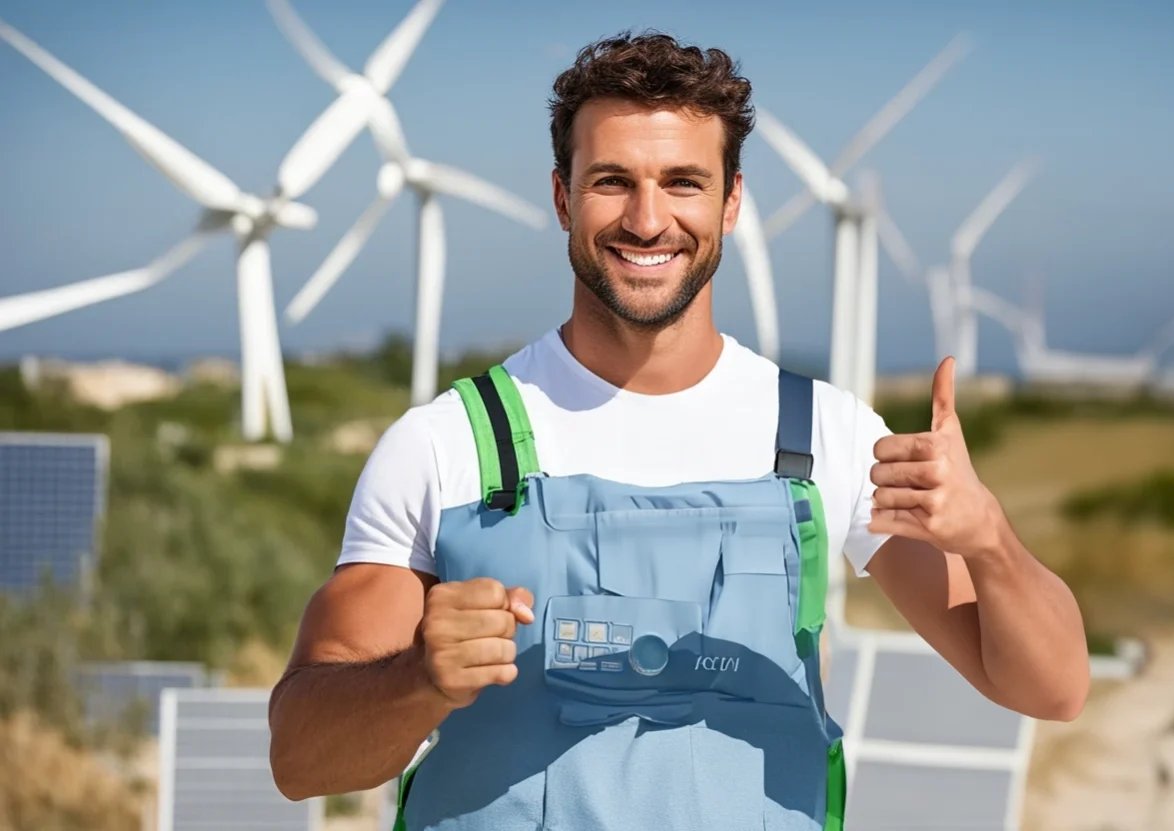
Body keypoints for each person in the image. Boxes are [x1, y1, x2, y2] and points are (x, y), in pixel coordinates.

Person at [268, 31, 1089, 830]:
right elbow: (301, 761)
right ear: (561, 196)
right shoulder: (442, 446)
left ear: (732, 202)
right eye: (612, 181)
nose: (648, 219)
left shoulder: (822, 434)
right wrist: (418, 678)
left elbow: (1050, 688)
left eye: (683, 182)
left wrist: (988, 540)